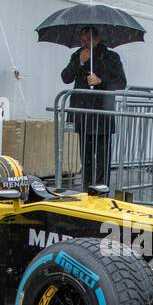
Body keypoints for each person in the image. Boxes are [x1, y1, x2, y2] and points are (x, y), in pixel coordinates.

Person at [61, 27, 127, 188]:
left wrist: (101, 81)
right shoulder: (78, 55)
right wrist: (80, 62)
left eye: (86, 40)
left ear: (95, 39)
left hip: (102, 113)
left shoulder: (111, 57)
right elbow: (66, 77)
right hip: (83, 114)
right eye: (81, 40)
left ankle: (101, 187)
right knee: (86, 155)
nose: (83, 44)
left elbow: (121, 83)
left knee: (103, 155)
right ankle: (87, 186)